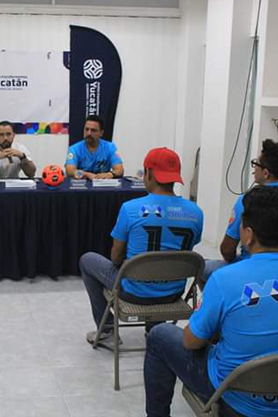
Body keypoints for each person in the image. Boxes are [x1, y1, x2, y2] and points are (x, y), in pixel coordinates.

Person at [144, 186, 278, 417]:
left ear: (249, 234)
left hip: (239, 401)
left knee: (160, 335)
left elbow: (191, 342)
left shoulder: (225, 279)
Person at [80, 148, 203, 345]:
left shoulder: (131, 209)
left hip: (134, 293)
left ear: (149, 173)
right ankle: (155, 330)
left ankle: (108, 331)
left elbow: (116, 258)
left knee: (87, 260)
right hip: (173, 293)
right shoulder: (196, 212)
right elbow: (187, 249)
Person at [202, 139, 278, 284]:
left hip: (254, 271)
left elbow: (227, 250)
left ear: (266, 173)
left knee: (203, 268)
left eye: (256, 164)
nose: (254, 169)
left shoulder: (250, 200)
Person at [65, 115, 124, 180]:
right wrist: (86, 174)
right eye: (86, 129)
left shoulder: (110, 147)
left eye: (93, 130)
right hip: (81, 187)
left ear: (101, 133)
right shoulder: (74, 149)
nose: (89, 133)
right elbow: (69, 171)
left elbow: (120, 170)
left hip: (103, 187)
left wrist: (110, 174)